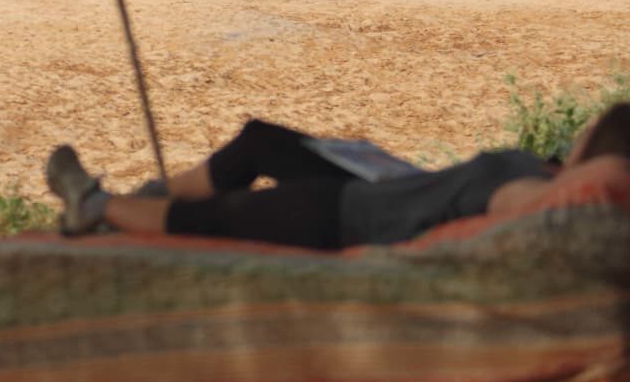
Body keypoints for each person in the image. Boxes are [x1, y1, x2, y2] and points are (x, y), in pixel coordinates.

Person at [46, 103, 630, 250]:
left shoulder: (551, 190)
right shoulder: (541, 167)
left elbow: (537, 213)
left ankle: (93, 206)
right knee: (262, 141)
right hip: (385, 186)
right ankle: (151, 195)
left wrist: (578, 184)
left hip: (356, 214)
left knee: (217, 218)